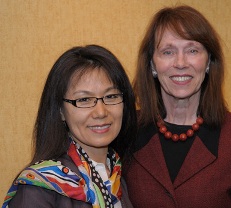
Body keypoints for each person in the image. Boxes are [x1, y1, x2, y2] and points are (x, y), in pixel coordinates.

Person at [123, 5, 231, 208]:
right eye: (168, 52)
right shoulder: (125, 131)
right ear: (152, 65)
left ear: (209, 61)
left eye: (192, 50)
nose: (180, 62)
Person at [2, 45, 136, 208]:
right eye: (84, 100)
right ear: (61, 111)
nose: (101, 112)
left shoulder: (122, 176)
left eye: (111, 96)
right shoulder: (38, 188)